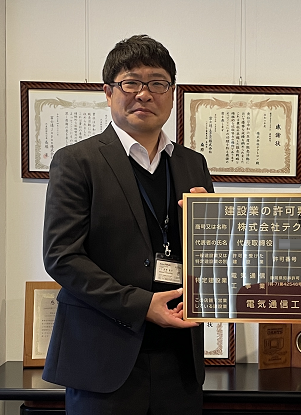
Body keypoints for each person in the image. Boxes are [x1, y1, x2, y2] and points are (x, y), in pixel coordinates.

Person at [42, 34, 214, 415]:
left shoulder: (193, 164)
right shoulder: (77, 162)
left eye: (157, 83)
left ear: (172, 93)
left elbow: (211, 259)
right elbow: (61, 257)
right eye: (131, 82)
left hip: (180, 362)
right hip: (102, 360)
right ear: (108, 92)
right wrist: (142, 305)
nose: (144, 94)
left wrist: (215, 227)